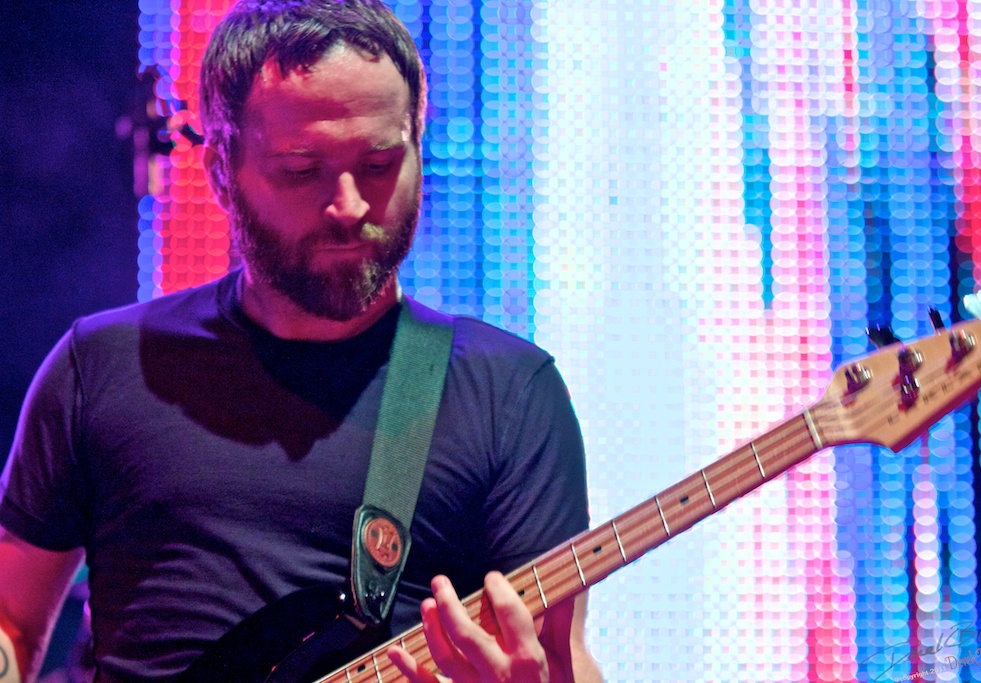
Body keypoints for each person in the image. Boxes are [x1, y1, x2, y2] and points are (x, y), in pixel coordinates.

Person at [0, 1, 603, 681]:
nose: (349, 204)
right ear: (221, 171)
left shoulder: (508, 393)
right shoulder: (102, 366)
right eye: (301, 169)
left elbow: (564, 654)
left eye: (379, 163)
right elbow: (12, 621)